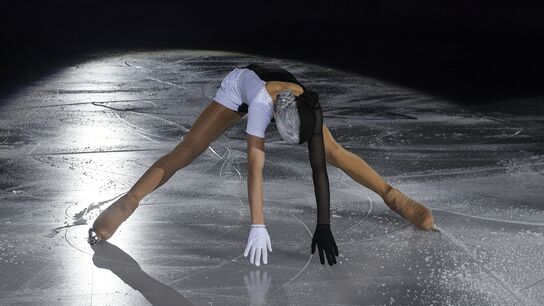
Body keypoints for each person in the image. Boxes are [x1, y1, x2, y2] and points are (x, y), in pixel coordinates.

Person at [88, 63, 435, 266]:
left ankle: (394, 196)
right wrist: (258, 225)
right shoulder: (257, 104)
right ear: (278, 118)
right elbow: (255, 169)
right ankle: (128, 202)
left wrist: (324, 224)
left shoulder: (310, 108)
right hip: (241, 86)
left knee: (335, 153)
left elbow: (319, 169)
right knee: (190, 147)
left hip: (286, 101)